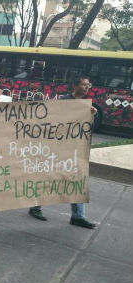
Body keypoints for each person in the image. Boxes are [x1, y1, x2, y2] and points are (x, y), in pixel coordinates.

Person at [28, 75, 98, 229]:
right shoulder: (63, 101)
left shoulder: (87, 105)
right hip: (58, 148)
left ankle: (78, 216)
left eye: (89, 85)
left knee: (77, 179)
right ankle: (35, 206)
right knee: (49, 177)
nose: (87, 88)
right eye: (84, 85)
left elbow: (90, 128)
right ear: (75, 85)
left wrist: (93, 115)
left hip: (75, 149)